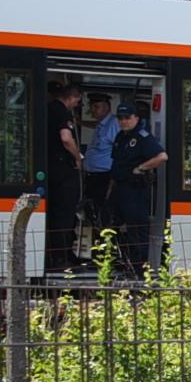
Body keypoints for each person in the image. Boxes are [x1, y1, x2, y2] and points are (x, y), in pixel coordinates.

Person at [105, 102, 169, 275]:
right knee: (111, 228)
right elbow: (116, 164)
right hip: (119, 189)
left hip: (135, 190)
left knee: (137, 231)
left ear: (136, 118)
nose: (124, 121)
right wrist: (110, 189)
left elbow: (162, 156)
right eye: (121, 118)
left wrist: (141, 167)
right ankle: (120, 264)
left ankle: (139, 272)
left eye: (127, 118)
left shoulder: (142, 137)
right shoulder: (120, 137)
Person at [37, 79, 85, 274]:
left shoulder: (47, 109)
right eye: (77, 101)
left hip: (51, 170)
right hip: (63, 171)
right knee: (64, 215)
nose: (76, 105)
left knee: (56, 213)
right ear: (71, 97)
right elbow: (66, 138)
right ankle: (61, 258)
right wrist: (77, 157)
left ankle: (58, 255)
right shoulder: (62, 112)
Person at [81, 92, 118, 244]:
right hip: (93, 177)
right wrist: (79, 121)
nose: (93, 110)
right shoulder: (101, 124)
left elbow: (118, 151)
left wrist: (113, 181)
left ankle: (106, 249)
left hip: (105, 177)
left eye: (97, 107)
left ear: (107, 108)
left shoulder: (114, 124)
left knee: (103, 216)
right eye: (92, 107)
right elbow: (93, 124)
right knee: (93, 214)